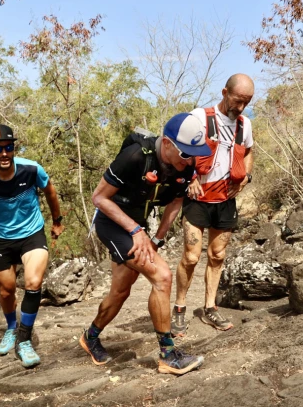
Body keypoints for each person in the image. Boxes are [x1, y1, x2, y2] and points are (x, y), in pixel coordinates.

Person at [80, 113, 210, 375]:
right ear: (167, 144)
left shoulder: (185, 165)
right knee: (162, 276)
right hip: (113, 222)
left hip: (138, 225)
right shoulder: (135, 156)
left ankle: (90, 336)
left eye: (194, 154)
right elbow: (98, 198)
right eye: (185, 153)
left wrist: (158, 237)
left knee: (121, 290)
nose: (190, 160)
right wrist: (136, 230)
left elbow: (175, 201)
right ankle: (168, 354)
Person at [0, 124, 64, 368]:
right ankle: (11, 328)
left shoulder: (31, 169)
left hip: (32, 234)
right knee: (6, 291)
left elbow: (50, 192)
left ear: (13, 148)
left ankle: (24, 341)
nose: (4, 153)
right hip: (3, 239)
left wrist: (57, 220)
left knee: (33, 283)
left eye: (8, 147)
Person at [172, 74, 255, 336]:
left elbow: (250, 151)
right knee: (191, 256)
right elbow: (177, 148)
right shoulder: (199, 117)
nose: (240, 107)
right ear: (224, 92)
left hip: (225, 200)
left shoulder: (245, 125)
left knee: (217, 256)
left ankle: (210, 307)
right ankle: (179, 308)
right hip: (198, 199)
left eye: (247, 102)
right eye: (238, 100)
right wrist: (189, 178)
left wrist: (246, 179)